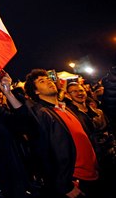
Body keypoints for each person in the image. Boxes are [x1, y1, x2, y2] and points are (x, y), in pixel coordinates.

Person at [22, 69, 99, 198]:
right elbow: (43, 154)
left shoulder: (66, 108)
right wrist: (65, 185)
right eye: (42, 81)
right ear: (36, 91)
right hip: (75, 182)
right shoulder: (42, 115)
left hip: (93, 175)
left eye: (48, 79)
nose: (49, 82)